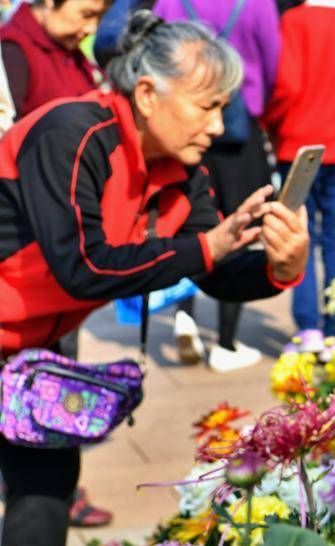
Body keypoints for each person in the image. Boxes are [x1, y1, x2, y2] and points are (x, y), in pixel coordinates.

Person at [0, 12, 310, 545]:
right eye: (207, 106)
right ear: (147, 93)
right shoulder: (71, 133)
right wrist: (208, 247)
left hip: (33, 349)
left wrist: (279, 266)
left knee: (46, 488)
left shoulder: (182, 166)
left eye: (223, 109)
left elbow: (212, 270)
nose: (217, 126)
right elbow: (82, 267)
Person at [1, 0, 116, 529]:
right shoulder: (15, 51)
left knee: (49, 381)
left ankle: (49, 482)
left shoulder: (72, 54)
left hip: (60, 255)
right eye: (85, 13)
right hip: (24, 259)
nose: (89, 28)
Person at [154, 0, 282, 371]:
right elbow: (273, 65)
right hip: (241, 132)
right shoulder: (258, 4)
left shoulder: (170, 2)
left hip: (184, 127)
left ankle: (184, 314)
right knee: (240, 229)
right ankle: (225, 343)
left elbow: (158, 56)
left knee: (188, 220)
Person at [264, 0, 335, 351]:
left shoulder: (295, 21)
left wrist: (270, 126)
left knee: (301, 236)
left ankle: (308, 327)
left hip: (300, 143)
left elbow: (286, 85)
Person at [0, 0, 107, 120]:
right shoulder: (11, 50)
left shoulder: (70, 50)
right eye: (86, 14)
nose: (92, 28)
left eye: (100, 17)